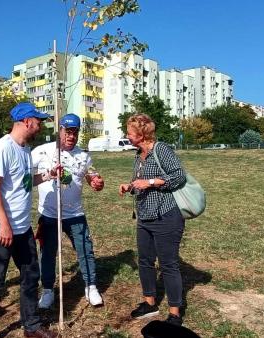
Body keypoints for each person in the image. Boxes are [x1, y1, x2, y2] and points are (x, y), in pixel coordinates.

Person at [0, 102, 58, 338]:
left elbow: (25, 182)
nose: (41, 125)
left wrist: (50, 174)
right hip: (1, 230)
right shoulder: (1, 149)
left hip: (22, 229)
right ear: (26, 121)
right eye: (38, 121)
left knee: (31, 276)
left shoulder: (24, 150)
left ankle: (31, 327)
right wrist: (4, 225)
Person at [118, 113, 187, 326]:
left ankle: (175, 313)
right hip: (145, 216)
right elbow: (138, 180)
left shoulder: (161, 149)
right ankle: (150, 303)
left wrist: (151, 182)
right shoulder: (138, 154)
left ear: (141, 133)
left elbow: (179, 175)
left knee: (168, 265)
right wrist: (129, 186)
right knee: (145, 261)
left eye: (129, 132)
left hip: (166, 215)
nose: (127, 136)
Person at [31, 113, 105, 309]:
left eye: (75, 132)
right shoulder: (42, 151)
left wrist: (97, 182)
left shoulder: (84, 156)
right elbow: (24, 175)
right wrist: (47, 174)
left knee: (85, 251)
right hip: (49, 215)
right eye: (68, 132)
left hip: (75, 215)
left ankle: (91, 287)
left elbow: (92, 176)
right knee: (47, 253)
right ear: (60, 130)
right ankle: (47, 290)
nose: (71, 136)